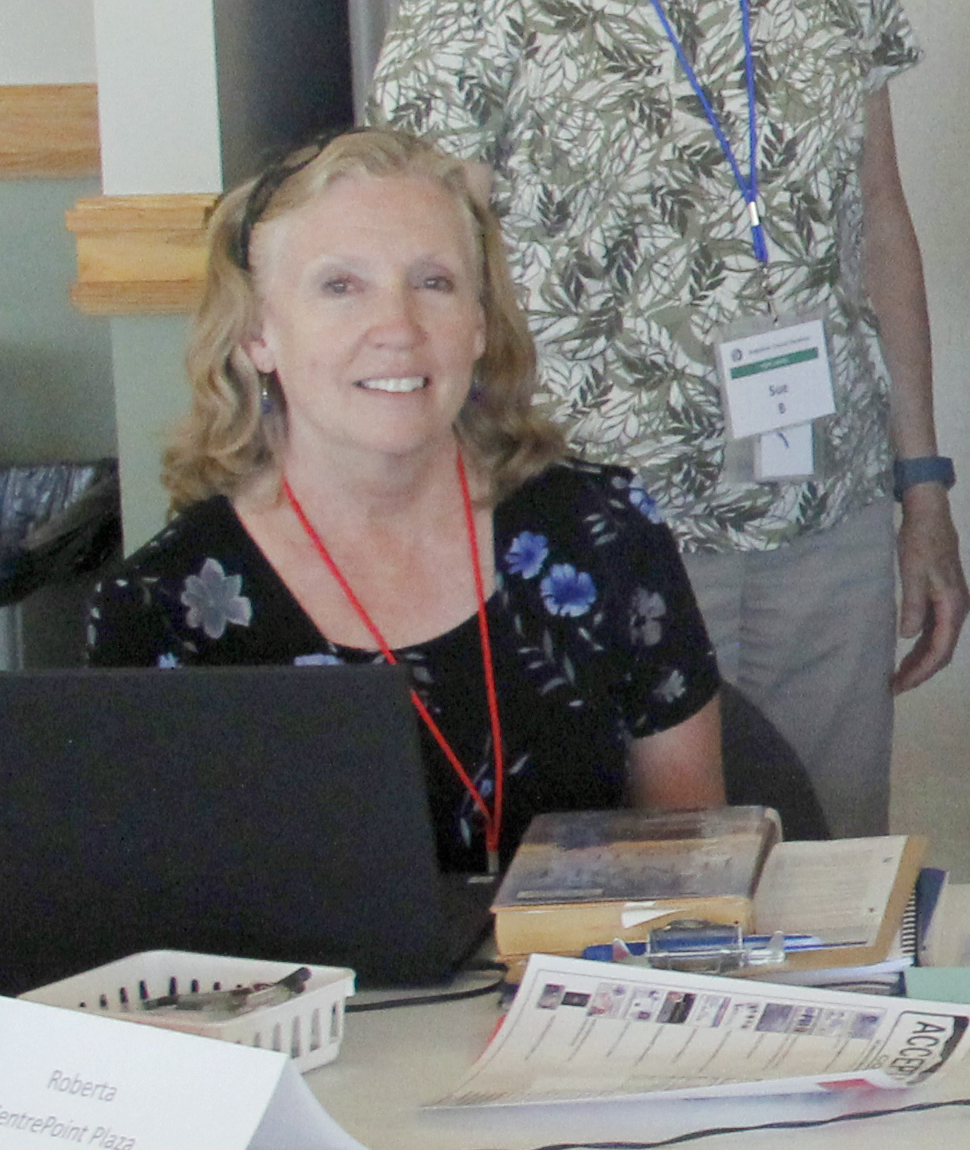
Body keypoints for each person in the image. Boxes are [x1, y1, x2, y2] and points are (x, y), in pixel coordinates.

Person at [375, 0, 956, 836]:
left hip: (824, 507)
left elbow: (881, 219)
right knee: (636, 898)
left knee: (829, 868)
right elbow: (428, 275)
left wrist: (922, 485)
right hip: (591, 527)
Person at [90, 129, 726, 868]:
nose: (396, 328)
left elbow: (692, 872)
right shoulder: (158, 610)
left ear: (480, 325)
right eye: (340, 286)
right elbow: (167, 931)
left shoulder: (604, 533)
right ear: (258, 333)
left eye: (434, 283)